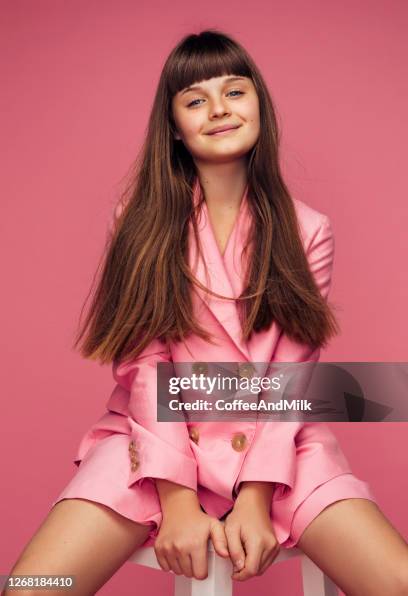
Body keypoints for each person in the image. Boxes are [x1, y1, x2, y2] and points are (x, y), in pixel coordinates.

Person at [4, 29, 408, 596]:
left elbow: (290, 377)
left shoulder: (309, 230)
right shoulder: (139, 219)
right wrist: (176, 499)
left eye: (234, 92)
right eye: (196, 99)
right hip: (151, 445)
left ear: (259, 105)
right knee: (33, 586)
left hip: (277, 449)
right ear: (173, 125)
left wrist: (257, 495)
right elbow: (145, 365)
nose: (219, 109)